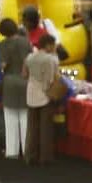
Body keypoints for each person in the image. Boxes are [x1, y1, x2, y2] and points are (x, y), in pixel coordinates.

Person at [24, 32, 61, 165]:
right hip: (44, 95)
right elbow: (50, 79)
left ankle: (30, 155)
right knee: (46, 128)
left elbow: (24, 74)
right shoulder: (50, 59)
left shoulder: (29, 57)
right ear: (49, 45)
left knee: (32, 127)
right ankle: (45, 158)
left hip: (31, 93)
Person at [0, 17, 30, 159]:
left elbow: (2, 66)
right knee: (25, 118)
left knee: (10, 118)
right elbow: (28, 61)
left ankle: (12, 151)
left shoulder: (1, 45)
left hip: (9, 82)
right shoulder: (25, 42)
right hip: (25, 82)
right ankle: (27, 150)